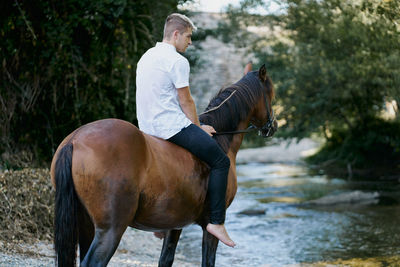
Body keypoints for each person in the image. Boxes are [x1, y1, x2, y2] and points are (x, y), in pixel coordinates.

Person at [135, 13, 235, 248]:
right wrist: (198, 128)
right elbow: (186, 101)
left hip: (146, 128)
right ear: (176, 34)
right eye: (188, 37)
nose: (190, 42)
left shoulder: (146, 56)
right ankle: (217, 222)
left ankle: (161, 224)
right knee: (220, 161)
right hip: (169, 126)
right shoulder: (177, 61)